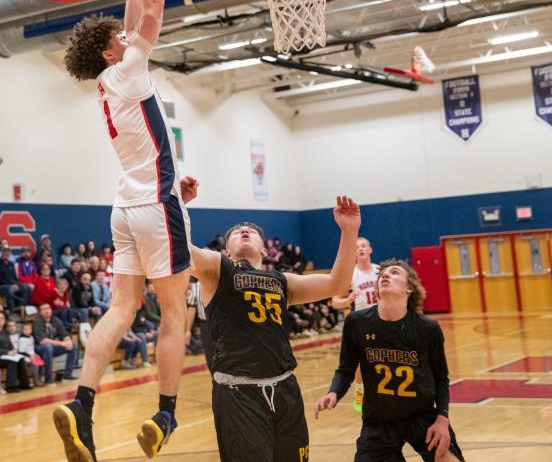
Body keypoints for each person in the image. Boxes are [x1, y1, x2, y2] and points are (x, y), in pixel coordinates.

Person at [56, 0, 196, 459]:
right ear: (108, 51)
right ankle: (165, 414)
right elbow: (152, 11)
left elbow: (134, 16)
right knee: (174, 316)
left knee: (120, 309)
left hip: (126, 206)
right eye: (118, 36)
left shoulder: (108, 82)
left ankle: (81, 407)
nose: (126, 32)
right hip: (157, 207)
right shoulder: (129, 71)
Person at [176, 191, 360, 462]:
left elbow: (336, 283)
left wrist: (349, 232)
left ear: (264, 249)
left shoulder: (282, 280)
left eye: (250, 229)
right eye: (237, 231)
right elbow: (178, 248)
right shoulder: (217, 269)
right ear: (226, 250)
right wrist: (178, 203)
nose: (245, 230)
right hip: (239, 394)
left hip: (286, 389)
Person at [316, 260, 462, 462]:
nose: (384, 275)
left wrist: (442, 420)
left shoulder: (427, 328)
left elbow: (441, 378)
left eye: (394, 273)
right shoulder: (357, 322)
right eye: (382, 274)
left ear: (408, 288)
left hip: (423, 418)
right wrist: (334, 392)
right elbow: (346, 369)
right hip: (379, 421)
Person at [330, 236, 380, 412]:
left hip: (382, 319)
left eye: (364, 245)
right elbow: (335, 301)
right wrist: (347, 301)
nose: (360, 249)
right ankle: (360, 390)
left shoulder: (380, 271)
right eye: (357, 246)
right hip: (360, 321)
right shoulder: (350, 274)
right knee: (361, 360)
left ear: (370, 249)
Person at [33, 303, 78, 384]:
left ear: (51, 310)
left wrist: (68, 341)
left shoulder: (55, 320)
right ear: (40, 312)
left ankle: (68, 374)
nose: (46, 310)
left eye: (48, 308)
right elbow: (42, 341)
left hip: (51, 347)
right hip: (38, 348)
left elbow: (64, 334)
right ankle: (48, 377)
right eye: (44, 309)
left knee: (73, 345)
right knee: (48, 347)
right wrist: (62, 343)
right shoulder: (37, 321)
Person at [0, 311, 29, 392]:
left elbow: (9, 344)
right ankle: (11, 386)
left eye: (2, 318)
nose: (0, 320)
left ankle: (24, 384)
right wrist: (8, 352)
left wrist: (13, 350)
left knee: (20, 359)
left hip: (7, 355)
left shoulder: (5, 331)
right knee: (12, 361)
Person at [0, 244, 31, 312]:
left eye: (8, 251)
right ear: (1, 252)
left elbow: (14, 278)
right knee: (9, 289)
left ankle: (20, 309)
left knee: (26, 287)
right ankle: (11, 311)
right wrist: (11, 285)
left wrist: (18, 284)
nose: (6, 253)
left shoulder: (11, 264)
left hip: (9, 285)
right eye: (4, 251)